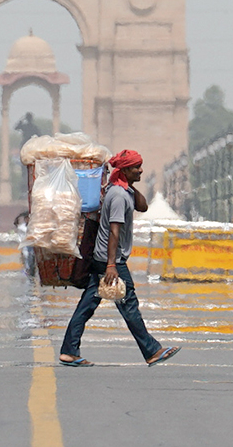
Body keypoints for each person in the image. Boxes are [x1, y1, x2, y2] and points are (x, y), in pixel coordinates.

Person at [59, 149, 180, 367]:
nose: (140, 170)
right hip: (109, 260)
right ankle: (151, 350)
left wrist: (131, 185)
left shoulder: (124, 192)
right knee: (128, 303)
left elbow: (142, 206)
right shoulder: (118, 196)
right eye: (136, 167)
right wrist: (112, 265)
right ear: (124, 169)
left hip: (104, 258)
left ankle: (69, 351)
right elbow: (114, 232)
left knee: (88, 304)